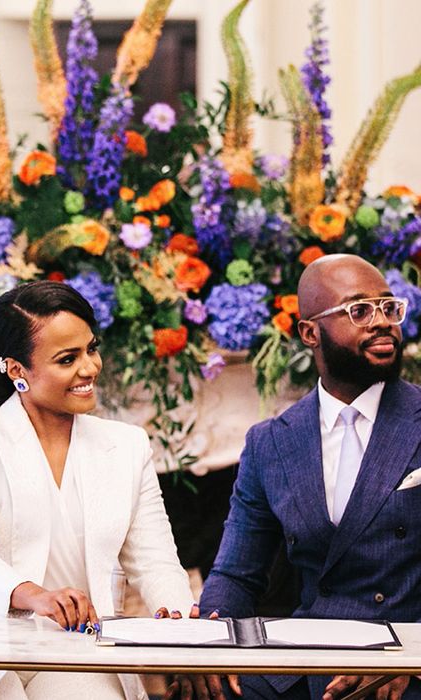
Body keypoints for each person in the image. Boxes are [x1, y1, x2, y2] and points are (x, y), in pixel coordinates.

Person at [0, 280, 194, 700]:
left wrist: (187, 637)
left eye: (91, 349)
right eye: (67, 359)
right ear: (18, 370)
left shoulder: (128, 445)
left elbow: (156, 563)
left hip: (74, 650)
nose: (89, 368)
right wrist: (33, 595)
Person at [178, 254, 421, 700]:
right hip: (307, 660)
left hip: (403, 661)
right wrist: (208, 651)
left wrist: (409, 660)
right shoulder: (271, 442)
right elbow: (236, 575)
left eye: (389, 308)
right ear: (310, 332)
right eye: (359, 311)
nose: (382, 322)